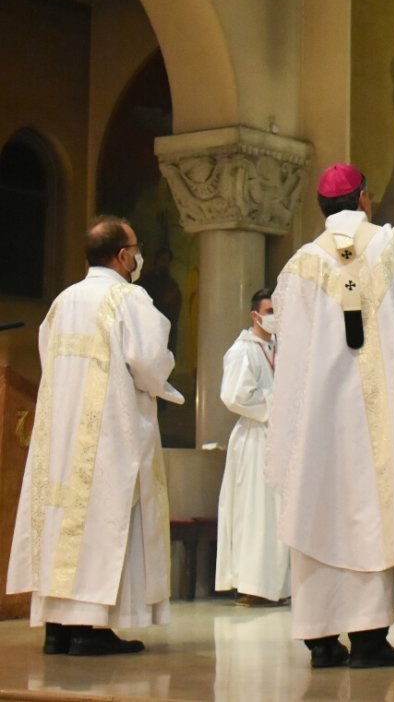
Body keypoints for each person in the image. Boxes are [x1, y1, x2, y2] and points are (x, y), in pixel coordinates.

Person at [267, 165, 394, 669]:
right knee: (373, 507)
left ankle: (320, 637)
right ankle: (370, 639)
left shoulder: (299, 266)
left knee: (319, 505)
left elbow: (289, 353)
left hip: (319, 423)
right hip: (378, 416)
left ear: (323, 207)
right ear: (365, 199)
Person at [7, 216, 178, 656]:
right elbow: (149, 360)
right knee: (104, 516)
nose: (137, 257)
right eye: (135, 248)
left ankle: (57, 628)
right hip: (107, 430)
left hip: (60, 432)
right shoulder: (128, 298)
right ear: (123, 256)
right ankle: (89, 629)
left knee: (62, 519)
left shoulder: (63, 302)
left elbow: (49, 358)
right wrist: (163, 385)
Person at [215, 287, 289, 607]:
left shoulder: (279, 347)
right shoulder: (242, 350)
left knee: (275, 514)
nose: (275, 317)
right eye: (270, 310)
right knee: (254, 512)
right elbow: (234, 396)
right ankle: (252, 584)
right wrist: (276, 404)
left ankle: (276, 584)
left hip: (278, 438)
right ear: (255, 315)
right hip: (254, 437)